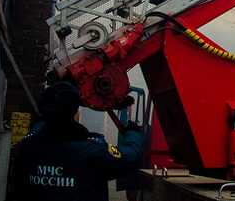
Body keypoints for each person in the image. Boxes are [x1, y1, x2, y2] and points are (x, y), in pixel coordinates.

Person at [12, 82, 144, 201]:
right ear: (75, 112)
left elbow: (42, 126)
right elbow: (131, 156)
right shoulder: (93, 151)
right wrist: (133, 133)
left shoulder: (26, 147)